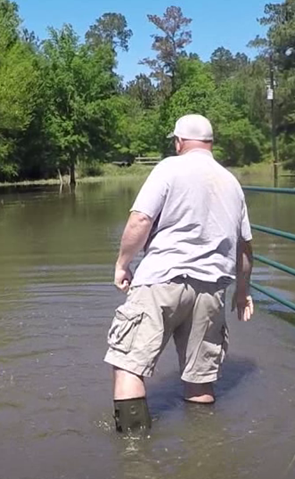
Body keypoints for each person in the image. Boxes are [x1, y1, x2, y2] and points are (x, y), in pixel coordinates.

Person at [105, 113, 254, 434]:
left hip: (162, 280)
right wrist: (243, 293)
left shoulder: (169, 168)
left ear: (178, 141)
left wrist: (122, 264)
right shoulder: (231, 182)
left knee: (128, 365)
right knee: (200, 380)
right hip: (211, 289)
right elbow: (244, 249)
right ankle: (203, 449)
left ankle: (133, 451)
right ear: (211, 143)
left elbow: (140, 220)